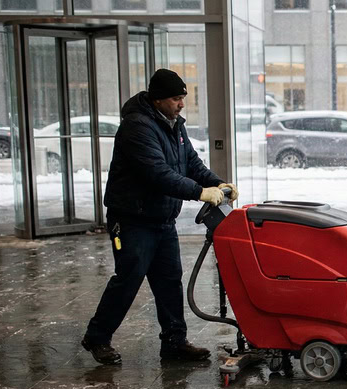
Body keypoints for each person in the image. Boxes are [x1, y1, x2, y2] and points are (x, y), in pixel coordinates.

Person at [80, 68, 239, 365]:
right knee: (128, 279)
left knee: (169, 280)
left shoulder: (174, 125)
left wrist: (217, 183)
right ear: (157, 99)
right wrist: (199, 192)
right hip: (131, 220)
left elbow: (190, 162)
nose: (181, 104)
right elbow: (157, 173)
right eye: (176, 98)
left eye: (183, 98)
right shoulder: (136, 127)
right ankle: (97, 337)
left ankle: (175, 342)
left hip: (162, 219)